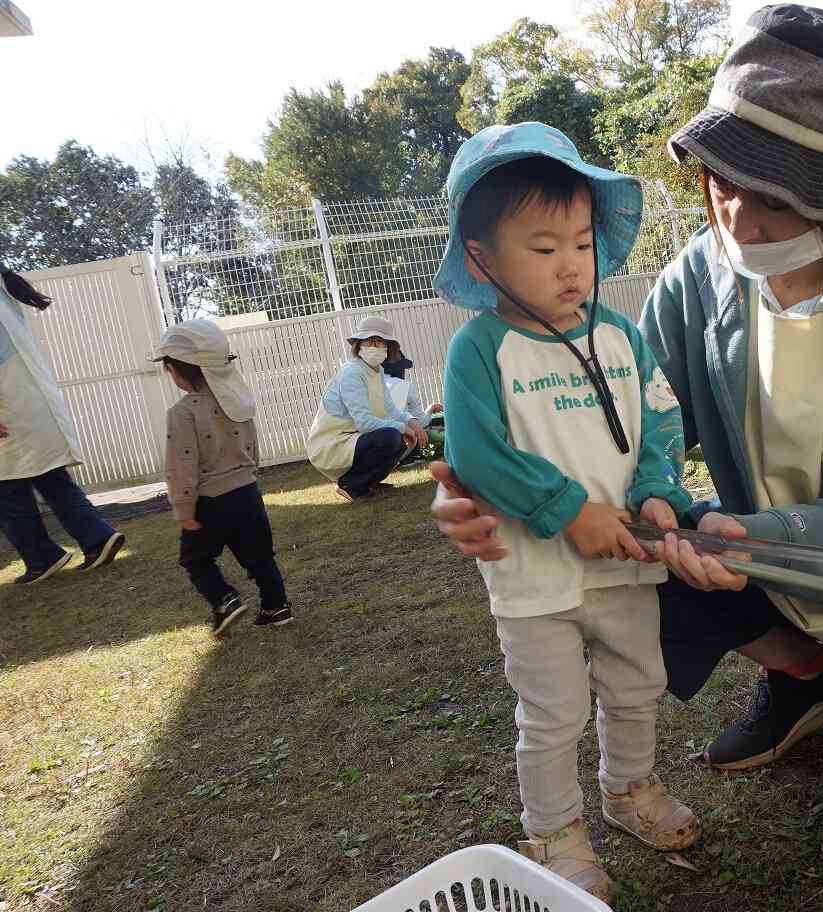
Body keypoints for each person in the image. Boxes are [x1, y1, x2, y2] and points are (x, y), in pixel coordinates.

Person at [429, 7, 823, 910]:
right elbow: (633, 428)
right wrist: (481, 490)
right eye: (723, 179)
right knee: (625, 561)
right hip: (766, 562)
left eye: (773, 193)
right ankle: (805, 673)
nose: (737, 212)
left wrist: (751, 538)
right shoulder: (698, 278)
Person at [429, 122, 700, 901]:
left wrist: (658, 492)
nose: (572, 264)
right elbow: (478, 454)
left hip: (627, 562)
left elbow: (661, 420)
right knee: (552, 712)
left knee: (636, 685)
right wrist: (569, 509)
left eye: (582, 243)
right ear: (482, 258)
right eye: (544, 248)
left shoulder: (620, 335)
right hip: (535, 579)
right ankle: (554, 832)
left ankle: (629, 791)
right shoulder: (479, 350)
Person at [153, 320, 292, 635]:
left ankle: (224, 599)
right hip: (247, 493)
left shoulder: (183, 412)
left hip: (210, 501)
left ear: (176, 369)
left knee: (195, 559)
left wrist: (183, 509)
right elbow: (252, 444)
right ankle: (276, 606)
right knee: (260, 556)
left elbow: (181, 465)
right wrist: (251, 473)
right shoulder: (236, 400)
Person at [0, 268, 125, 584]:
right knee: (50, 477)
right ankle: (97, 538)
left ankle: (42, 558)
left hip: (9, 411)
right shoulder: (4, 294)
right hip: (29, 403)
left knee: (7, 490)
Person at [306, 315, 431, 501]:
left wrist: (412, 422)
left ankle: (369, 482)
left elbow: (390, 410)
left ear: (388, 348)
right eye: (370, 341)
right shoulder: (351, 373)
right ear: (359, 345)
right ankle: (351, 485)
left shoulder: (377, 372)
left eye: (380, 342)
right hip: (332, 444)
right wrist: (403, 428)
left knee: (397, 437)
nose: (375, 346)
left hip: (351, 438)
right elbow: (364, 423)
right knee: (390, 437)